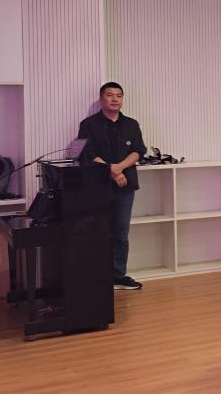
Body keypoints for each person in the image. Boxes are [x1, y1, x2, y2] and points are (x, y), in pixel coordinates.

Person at [77, 81, 146, 291]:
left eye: (119, 95)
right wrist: (113, 172)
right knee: (96, 232)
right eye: (110, 95)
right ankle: (96, 276)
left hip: (125, 187)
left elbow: (138, 151)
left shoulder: (131, 124)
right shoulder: (88, 124)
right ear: (101, 99)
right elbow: (87, 154)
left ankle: (118, 276)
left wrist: (119, 168)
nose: (115, 99)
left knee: (121, 232)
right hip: (97, 187)